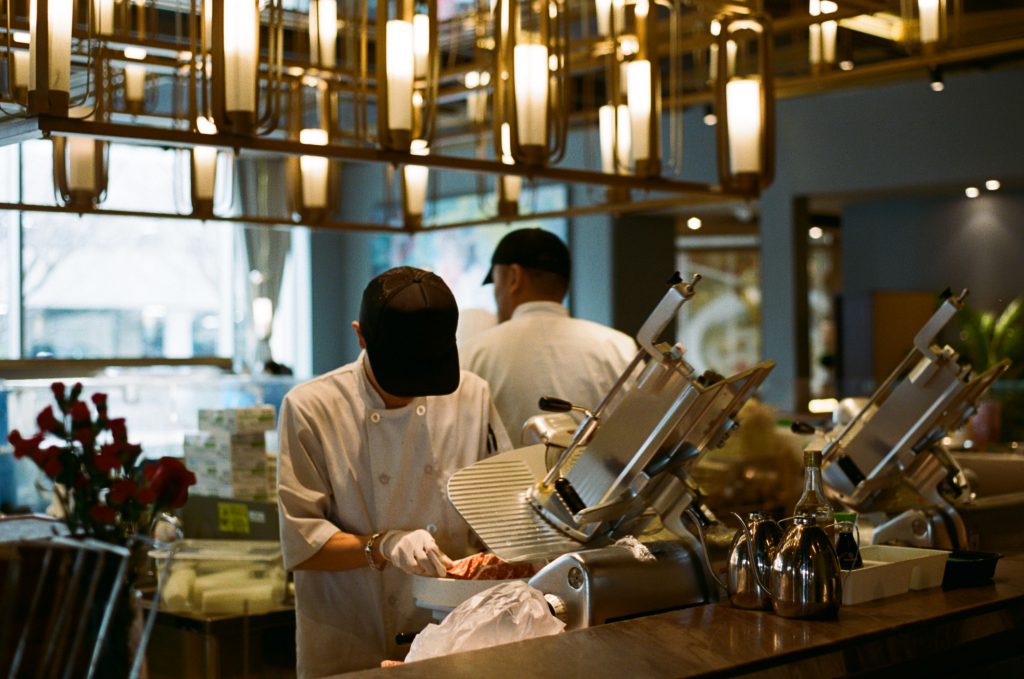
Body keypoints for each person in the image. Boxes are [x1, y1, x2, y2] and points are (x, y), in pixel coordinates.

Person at [277, 266, 511, 677]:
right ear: (360, 336)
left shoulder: (472, 395)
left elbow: (501, 511)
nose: (413, 388)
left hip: (453, 636)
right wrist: (383, 545)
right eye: (401, 374)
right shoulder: (311, 409)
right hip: (350, 640)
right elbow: (303, 544)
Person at [460, 228, 637, 442]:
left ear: (514, 277)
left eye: (496, 284)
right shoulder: (618, 347)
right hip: (596, 476)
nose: (496, 296)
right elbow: (639, 431)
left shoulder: (474, 352)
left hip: (508, 476)